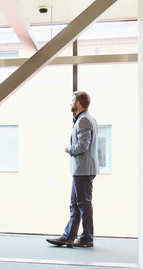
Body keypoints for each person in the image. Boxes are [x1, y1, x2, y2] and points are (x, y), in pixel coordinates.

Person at [46, 91, 99, 248]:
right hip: (82, 169)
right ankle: (68, 236)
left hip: (83, 169)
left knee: (83, 204)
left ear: (77, 104)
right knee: (75, 204)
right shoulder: (87, 119)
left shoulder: (84, 121)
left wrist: (68, 149)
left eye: (71, 102)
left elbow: (83, 146)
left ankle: (87, 238)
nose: (70, 104)